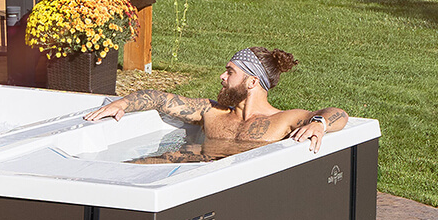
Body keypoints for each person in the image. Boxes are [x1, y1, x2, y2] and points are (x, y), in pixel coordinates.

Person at [84, 47, 348, 153]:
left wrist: (319, 123)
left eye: (231, 72)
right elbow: (159, 98)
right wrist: (122, 103)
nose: (222, 76)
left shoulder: (282, 120)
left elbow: (339, 113)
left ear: (252, 82)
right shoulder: (212, 111)